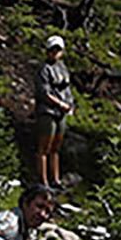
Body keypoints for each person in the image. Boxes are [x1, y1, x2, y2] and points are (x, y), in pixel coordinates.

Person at [31, 35, 75, 190]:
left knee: (56, 148)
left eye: (58, 50)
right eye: (52, 50)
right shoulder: (43, 69)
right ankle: (43, 181)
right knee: (44, 147)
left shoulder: (62, 67)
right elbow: (44, 92)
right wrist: (60, 104)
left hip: (62, 113)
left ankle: (55, 179)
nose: (55, 53)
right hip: (47, 112)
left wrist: (70, 104)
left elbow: (67, 89)